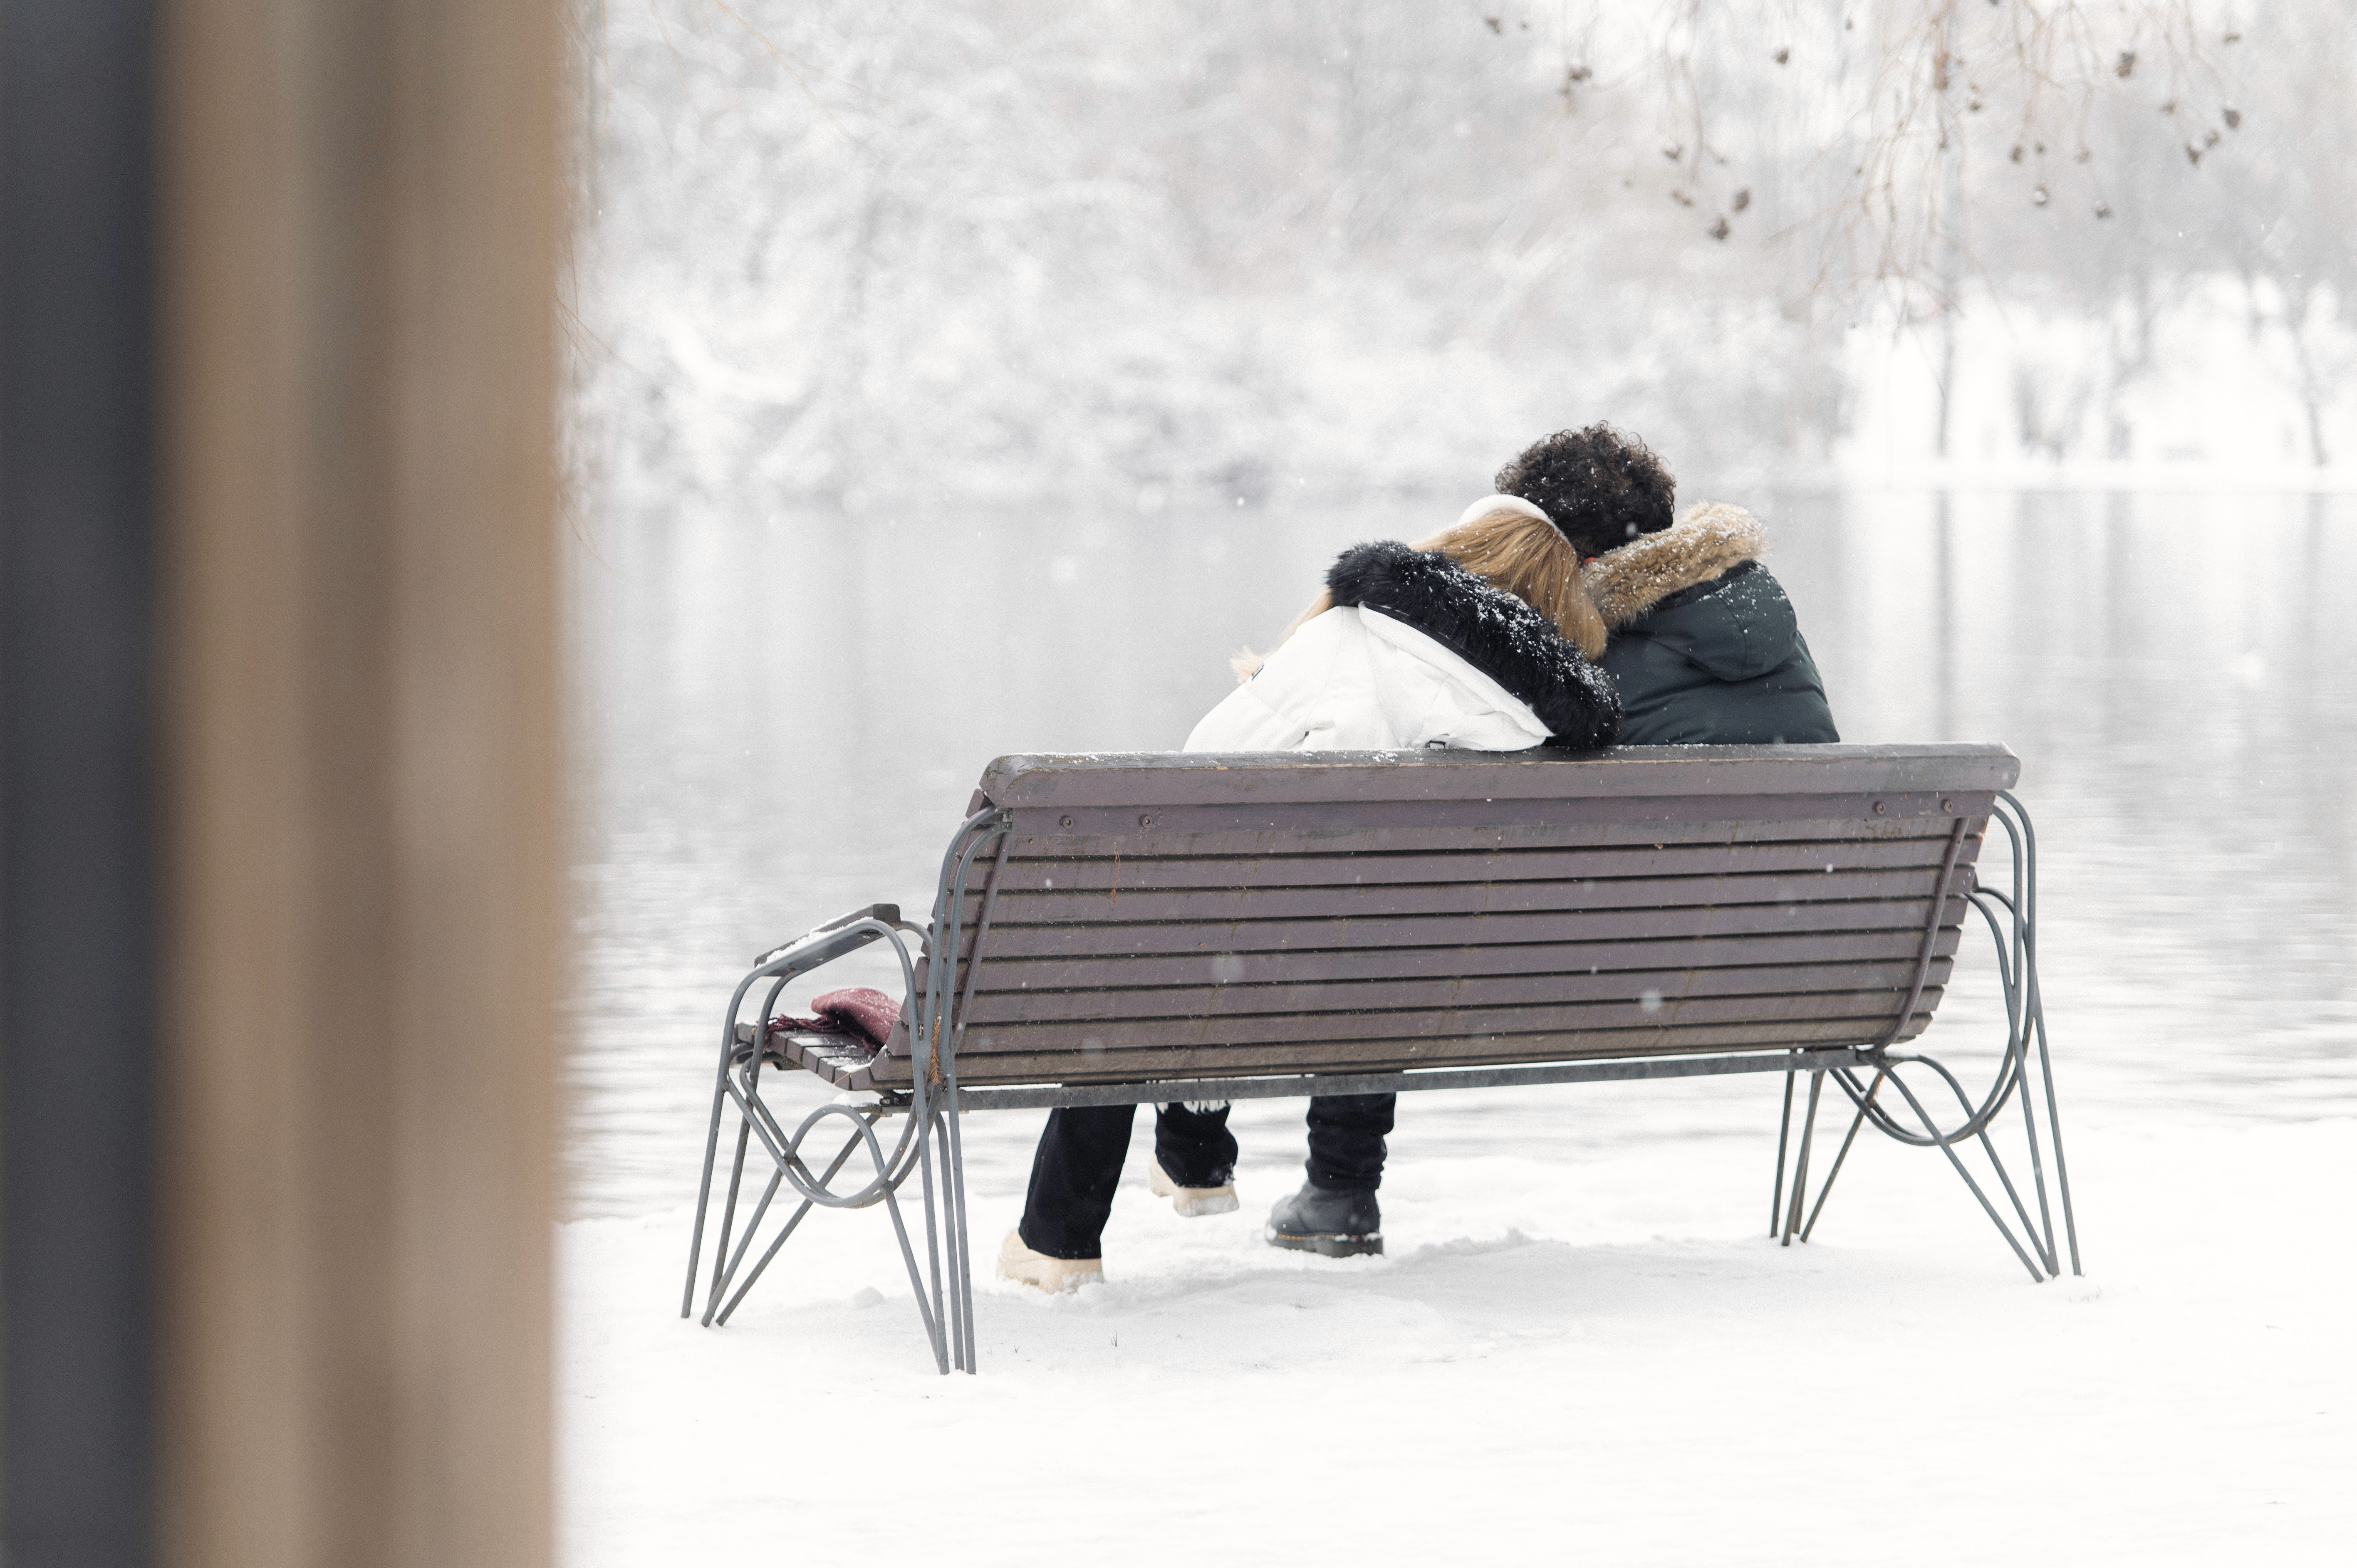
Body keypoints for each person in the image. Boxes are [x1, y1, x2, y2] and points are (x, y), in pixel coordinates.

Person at [996, 481, 1624, 1292]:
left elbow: (1208, 767)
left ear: (1459, 556)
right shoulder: (1545, 721)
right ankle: (1201, 1158)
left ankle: (1064, 1237)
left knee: (1137, 956)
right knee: (1352, 937)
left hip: (1243, 959)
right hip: (1385, 986)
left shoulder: (1350, 634)